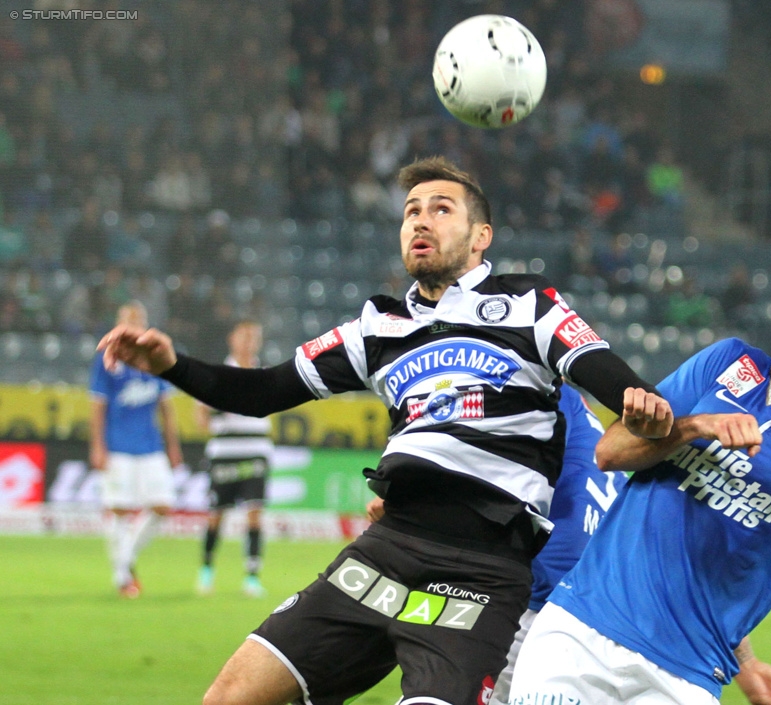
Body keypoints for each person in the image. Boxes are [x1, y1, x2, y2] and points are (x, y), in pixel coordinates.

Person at [97, 156, 674, 705]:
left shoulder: (529, 307)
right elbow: (261, 392)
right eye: (411, 210)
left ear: (481, 237)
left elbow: (620, 387)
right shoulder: (377, 330)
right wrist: (172, 366)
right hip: (386, 550)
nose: (421, 219)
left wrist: (644, 409)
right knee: (231, 695)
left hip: (482, 568)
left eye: (442, 208)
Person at [509, 270, 771, 705]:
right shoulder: (729, 364)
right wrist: (694, 427)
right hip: (579, 632)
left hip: (684, 679)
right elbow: (610, 452)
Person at [366, 384, 771, 705]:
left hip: (538, 620)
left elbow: (485, 495)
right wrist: (746, 664)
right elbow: (677, 568)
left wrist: (415, 515)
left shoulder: (531, 402)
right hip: (592, 623)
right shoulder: (587, 426)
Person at [89, 300, 183, 598]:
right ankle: (122, 577)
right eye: (128, 320)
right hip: (118, 446)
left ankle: (124, 561)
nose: (133, 325)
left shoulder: (156, 357)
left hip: (150, 445)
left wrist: (173, 446)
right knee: (118, 508)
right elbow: (97, 406)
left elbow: (167, 407)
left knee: (163, 505)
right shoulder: (108, 358)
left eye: (138, 320)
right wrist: (98, 447)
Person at [195, 319, 274, 598]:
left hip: (256, 450)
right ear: (232, 339)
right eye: (245, 336)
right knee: (217, 514)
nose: (249, 342)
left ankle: (252, 577)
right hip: (224, 451)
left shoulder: (265, 373)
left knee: (254, 514)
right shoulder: (217, 375)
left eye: (254, 337)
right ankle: (206, 570)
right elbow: (201, 418)